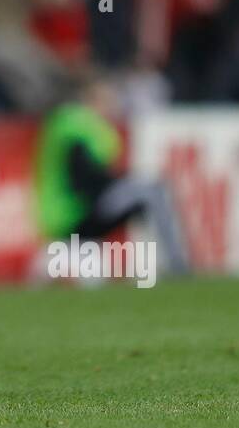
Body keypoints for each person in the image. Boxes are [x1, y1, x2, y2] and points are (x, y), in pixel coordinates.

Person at [34, 75, 190, 279]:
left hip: (59, 215)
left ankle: (154, 266)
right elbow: (85, 178)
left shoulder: (65, 124)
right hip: (74, 214)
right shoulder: (78, 126)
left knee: (143, 193)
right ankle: (176, 265)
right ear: (91, 99)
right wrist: (121, 183)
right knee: (152, 192)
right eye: (106, 99)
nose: (111, 105)